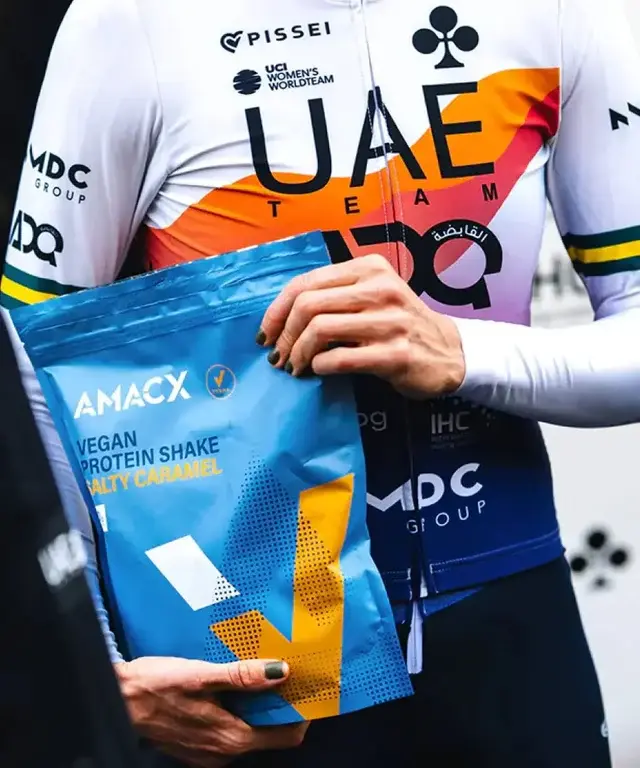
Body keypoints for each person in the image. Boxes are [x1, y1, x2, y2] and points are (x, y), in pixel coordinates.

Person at [3, 0, 640, 765]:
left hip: (508, 615)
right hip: (247, 646)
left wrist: (461, 351)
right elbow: (29, 371)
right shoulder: (129, 22)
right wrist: (105, 667)